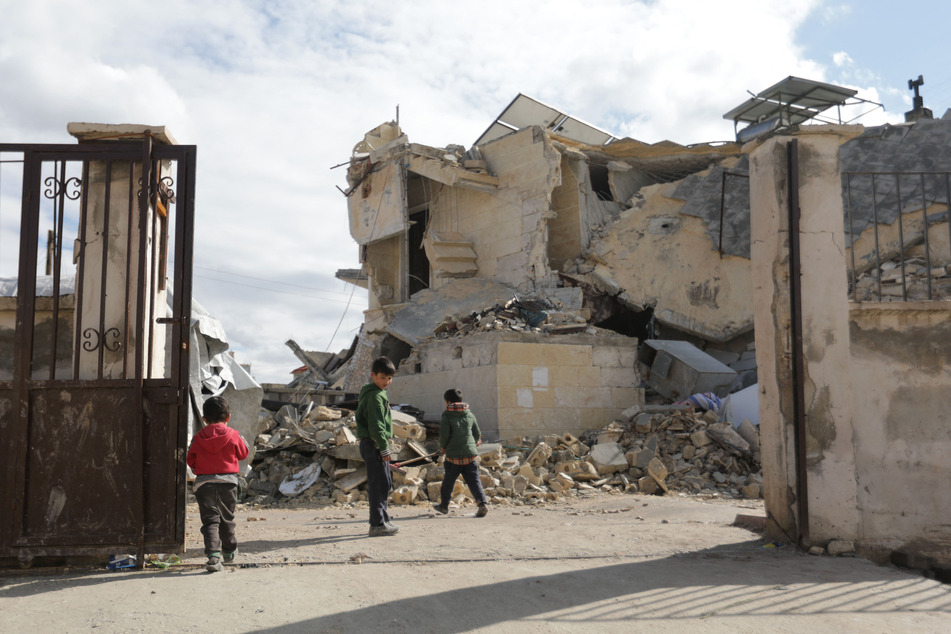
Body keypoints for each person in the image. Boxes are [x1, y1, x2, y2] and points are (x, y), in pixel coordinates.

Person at [186, 395, 249, 572]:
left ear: (204, 419)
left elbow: (190, 459)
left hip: (204, 484)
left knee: (210, 521)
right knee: (226, 519)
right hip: (227, 483)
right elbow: (244, 453)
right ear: (228, 417)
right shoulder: (233, 435)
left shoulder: (198, 438)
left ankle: (213, 556)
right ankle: (229, 551)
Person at [356, 356, 399, 537]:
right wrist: (384, 447)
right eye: (382, 377)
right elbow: (376, 426)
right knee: (379, 484)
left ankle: (383, 519)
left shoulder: (379, 393)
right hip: (374, 444)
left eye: (389, 378)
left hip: (374, 444)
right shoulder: (374, 396)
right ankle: (377, 524)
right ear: (373, 375)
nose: (386, 382)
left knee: (384, 482)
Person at [433, 388, 488, 517]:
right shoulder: (469, 413)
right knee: (474, 481)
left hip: (453, 456)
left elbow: (444, 434)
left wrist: (443, 447)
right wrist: (475, 442)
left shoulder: (447, 415)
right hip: (470, 455)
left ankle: (444, 506)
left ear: (447, 402)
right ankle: (482, 504)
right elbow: (476, 432)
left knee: (448, 481)